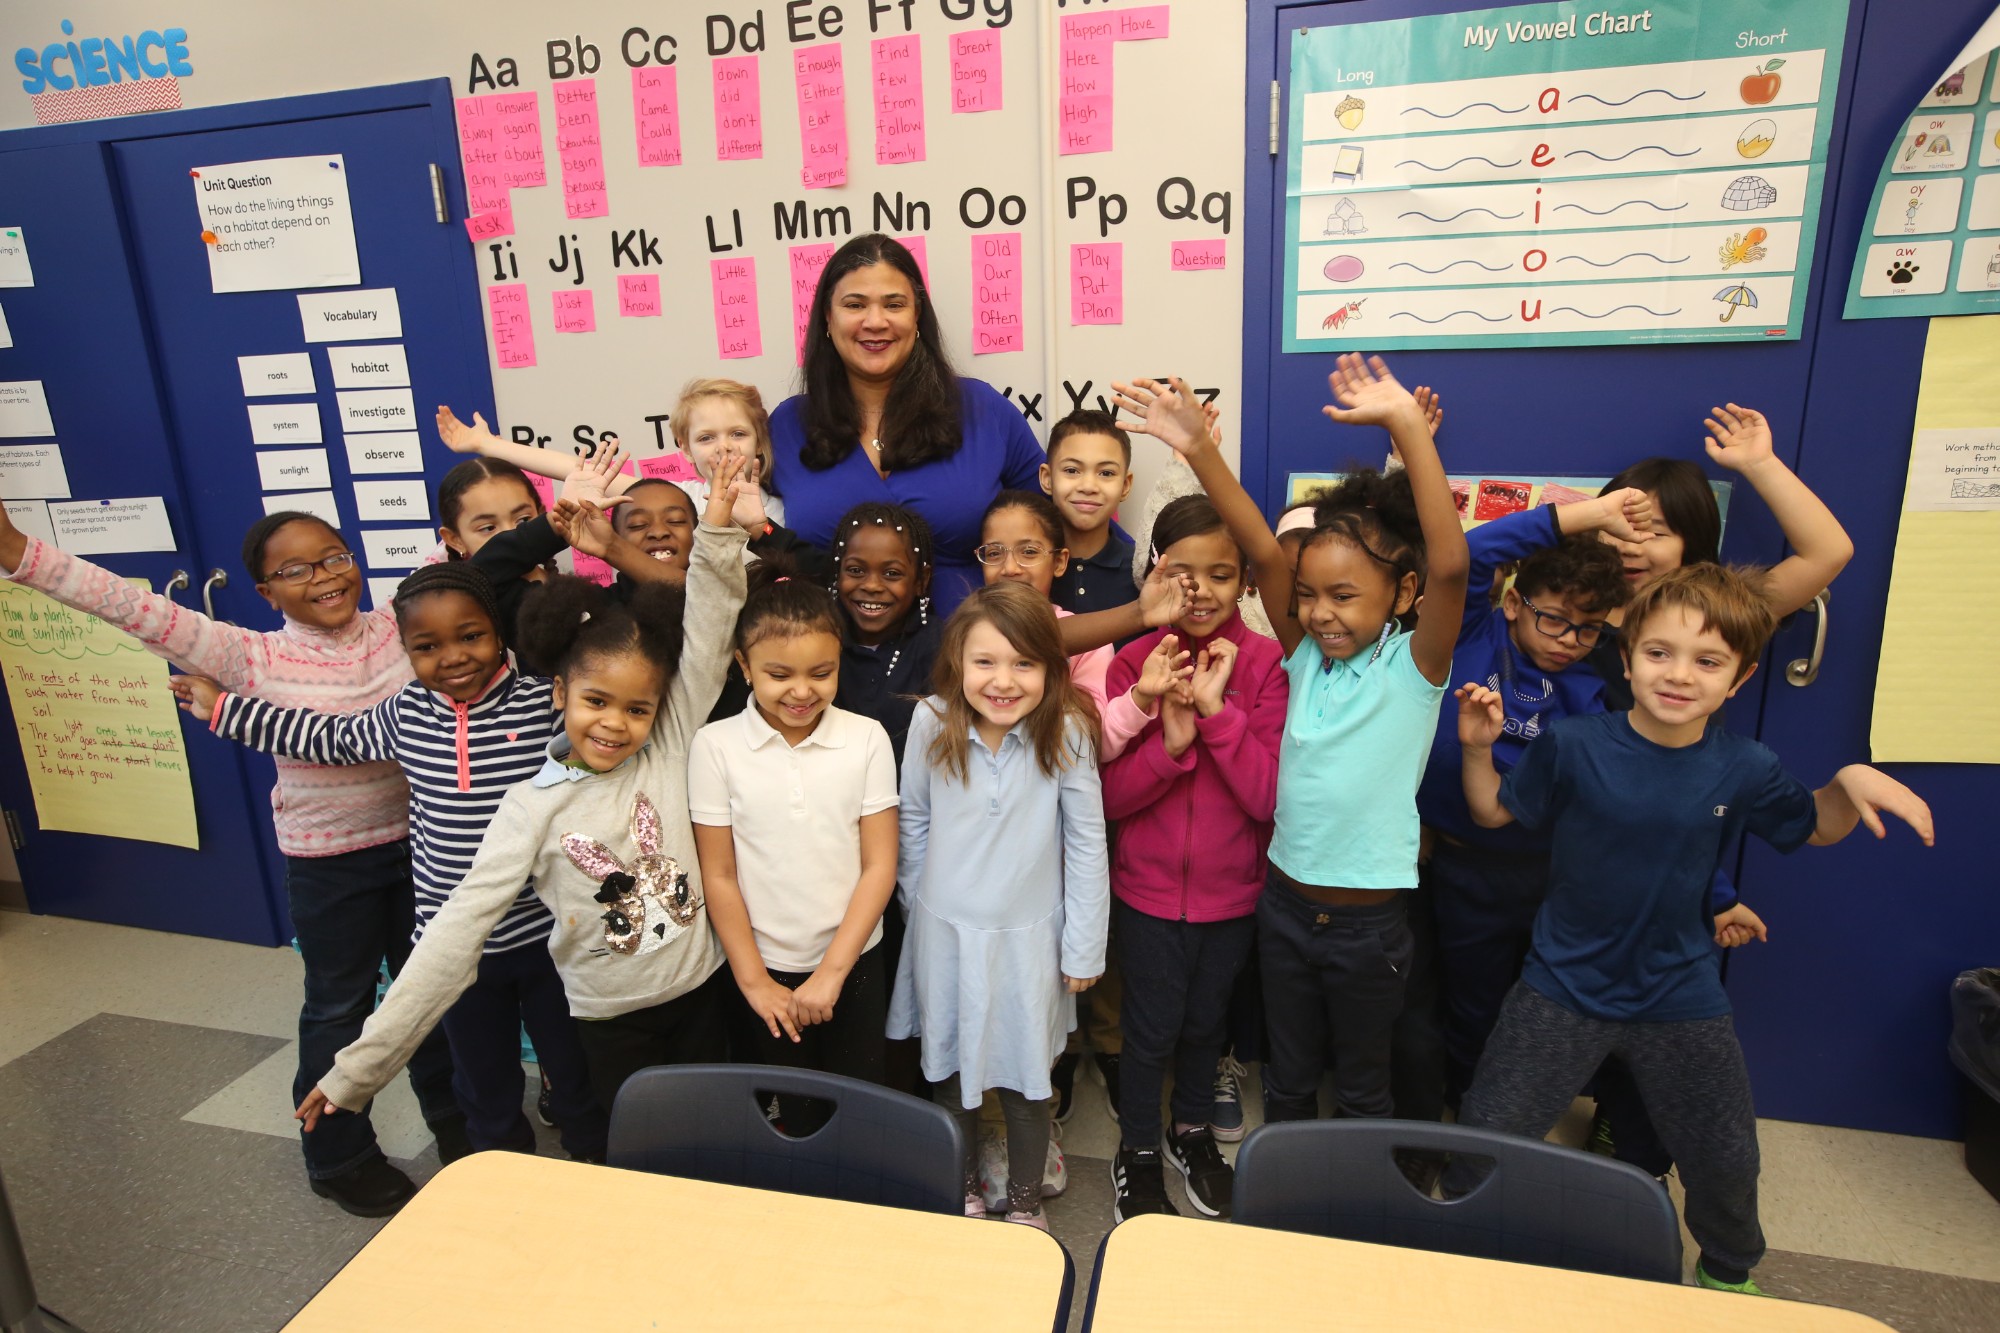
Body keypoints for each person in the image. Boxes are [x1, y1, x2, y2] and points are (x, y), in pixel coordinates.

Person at [0, 463, 616, 1213]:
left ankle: (459, 1136)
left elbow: (485, 573)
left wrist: (555, 521)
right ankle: (339, 1155)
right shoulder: (247, 655)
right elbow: (140, 612)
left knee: (425, 1008)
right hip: (334, 861)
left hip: (431, 857)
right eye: (294, 569)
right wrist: (21, 554)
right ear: (265, 590)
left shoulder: (402, 626)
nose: (322, 576)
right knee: (340, 1006)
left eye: (334, 557)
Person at [1453, 562, 1933, 1296]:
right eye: (1659, 653)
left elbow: (1813, 825)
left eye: (1707, 661)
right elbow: (1493, 812)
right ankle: (1455, 1259)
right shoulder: (1574, 745)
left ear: (1738, 679)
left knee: (1727, 1155)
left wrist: (1848, 784)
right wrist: (1479, 748)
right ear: (1628, 656)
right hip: (1561, 984)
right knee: (1485, 1137)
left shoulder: (1744, 766)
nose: (1679, 675)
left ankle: (1727, 1273)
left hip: (1679, 992)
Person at [292, 460, 750, 1126]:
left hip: (701, 991)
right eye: (595, 700)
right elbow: (456, 930)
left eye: (636, 708)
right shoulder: (531, 806)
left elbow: (711, 621)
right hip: (606, 1016)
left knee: (713, 1130)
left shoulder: (672, 738)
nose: (615, 724)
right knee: (636, 1150)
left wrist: (714, 526)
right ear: (559, 693)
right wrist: (358, 1069)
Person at [1113, 359, 1468, 1125]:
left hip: (1370, 928)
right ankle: (1286, 1217)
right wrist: (1200, 452)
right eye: (1309, 597)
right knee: (1288, 1076)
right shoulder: (1301, 653)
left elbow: (1451, 564)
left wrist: (1407, 428)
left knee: (1364, 1084)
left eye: (1344, 595)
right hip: (1281, 907)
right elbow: (1266, 555)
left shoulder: (1414, 667)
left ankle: (1353, 1219)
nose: (1320, 613)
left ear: (1401, 596)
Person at [169, 563, 606, 1164]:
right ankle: (505, 1186)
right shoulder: (404, 714)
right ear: (406, 651)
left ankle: (598, 1168)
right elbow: (325, 736)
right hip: (452, 950)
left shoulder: (544, 704)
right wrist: (222, 708)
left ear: (499, 632)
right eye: (426, 647)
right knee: (483, 1086)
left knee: (575, 1073)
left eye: (471, 636)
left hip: (551, 938)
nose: (453, 657)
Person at [1585, 404, 1852, 1172]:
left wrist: (1759, 464)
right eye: (1621, 525)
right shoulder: (1562, 607)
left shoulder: (1716, 619)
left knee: (1654, 1012)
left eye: (1657, 530)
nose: (1633, 545)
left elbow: (1828, 550)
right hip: (1570, 853)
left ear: (1694, 543)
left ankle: (1625, 1136)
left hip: (1669, 864)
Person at [1415, 492, 1662, 1106]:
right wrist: (1585, 516)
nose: (1567, 640)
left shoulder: (1597, 677)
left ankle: (1520, 1119)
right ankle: (1472, 1122)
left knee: (1542, 1010)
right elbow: (1468, 553)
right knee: (1467, 1003)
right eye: (1552, 619)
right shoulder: (1472, 630)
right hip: (1462, 862)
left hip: (1554, 873)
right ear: (1512, 602)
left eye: (1588, 628)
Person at [891, 582, 1109, 1229]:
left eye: (1023, 663)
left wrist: (1083, 944)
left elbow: (1086, 842)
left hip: (1028, 941)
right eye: (985, 661)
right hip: (946, 934)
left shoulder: (1065, 729)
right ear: (958, 661)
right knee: (949, 1070)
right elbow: (914, 822)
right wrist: (920, 911)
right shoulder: (932, 719)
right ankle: (957, 1184)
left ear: (1050, 666)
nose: (1003, 680)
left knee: (1024, 1082)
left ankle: (1022, 1199)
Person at [1099, 494, 1287, 1222]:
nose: (1200, 591)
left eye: (1220, 574)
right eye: (1183, 573)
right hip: (1145, 893)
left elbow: (1266, 797)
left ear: (1245, 580)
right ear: (1156, 571)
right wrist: (1171, 749)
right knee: (1149, 1030)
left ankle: (1191, 1134)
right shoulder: (1133, 662)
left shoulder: (1267, 663)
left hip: (1233, 893)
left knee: (1207, 1024)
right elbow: (1108, 798)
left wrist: (1216, 716)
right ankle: (1139, 1150)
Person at [689, 561, 899, 1127]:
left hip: (854, 959)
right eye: (779, 674)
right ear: (744, 666)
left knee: (860, 1104)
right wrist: (755, 981)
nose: (802, 692)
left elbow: (880, 865)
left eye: (821, 673)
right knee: (799, 1110)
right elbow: (719, 874)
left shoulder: (866, 738)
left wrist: (832, 972)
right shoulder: (715, 747)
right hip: (763, 969)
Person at [769, 234, 1045, 615]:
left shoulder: (983, 410)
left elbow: (1060, 525)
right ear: (828, 320)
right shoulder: (786, 425)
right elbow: (738, 531)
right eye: (855, 304)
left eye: (894, 304)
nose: (875, 321)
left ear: (917, 316)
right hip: (824, 668)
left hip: (974, 663)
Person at [1039, 410, 1138, 614]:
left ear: (1125, 485)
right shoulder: (1030, 567)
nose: (1088, 486)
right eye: (1072, 470)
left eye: (1106, 473)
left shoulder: (1142, 572)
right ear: (1047, 478)